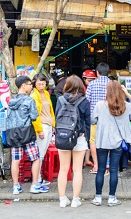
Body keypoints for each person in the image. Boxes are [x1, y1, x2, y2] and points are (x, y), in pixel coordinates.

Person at [91, 80, 131, 207]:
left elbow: (92, 120)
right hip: (117, 142)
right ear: (120, 91)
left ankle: (98, 198)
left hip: (102, 141)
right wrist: (127, 93)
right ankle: (112, 198)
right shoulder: (125, 106)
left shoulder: (100, 105)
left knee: (100, 170)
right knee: (113, 170)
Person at [7, 76, 48, 195]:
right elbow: (34, 116)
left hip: (13, 133)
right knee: (35, 158)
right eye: (30, 84)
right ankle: (34, 185)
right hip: (26, 133)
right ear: (23, 86)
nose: (31, 86)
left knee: (16, 160)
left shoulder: (11, 101)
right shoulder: (29, 100)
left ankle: (15, 186)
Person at [55, 75, 90, 208]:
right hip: (79, 137)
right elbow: (87, 122)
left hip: (63, 135)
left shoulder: (60, 100)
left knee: (63, 169)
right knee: (77, 170)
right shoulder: (84, 101)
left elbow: (57, 117)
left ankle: (62, 199)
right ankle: (75, 199)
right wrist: (86, 139)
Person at [30, 74, 55, 188]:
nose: (41, 86)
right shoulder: (34, 95)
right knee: (39, 154)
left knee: (42, 153)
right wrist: (39, 130)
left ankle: (39, 177)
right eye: (39, 84)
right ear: (35, 83)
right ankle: (37, 179)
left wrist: (53, 125)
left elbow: (50, 110)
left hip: (49, 124)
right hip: (42, 126)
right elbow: (34, 115)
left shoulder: (46, 93)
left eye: (43, 84)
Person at [85, 62, 111, 174]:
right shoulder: (112, 84)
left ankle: (96, 166)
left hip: (94, 119)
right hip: (109, 119)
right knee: (108, 142)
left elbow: (87, 102)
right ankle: (106, 164)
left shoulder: (92, 84)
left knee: (94, 142)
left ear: (97, 73)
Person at [81, 69, 96, 167]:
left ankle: (87, 159)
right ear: (84, 79)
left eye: (92, 80)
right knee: (84, 138)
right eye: (89, 80)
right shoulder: (82, 89)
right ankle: (82, 159)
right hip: (83, 116)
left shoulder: (92, 87)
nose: (91, 82)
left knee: (90, 139)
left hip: (90, 116)